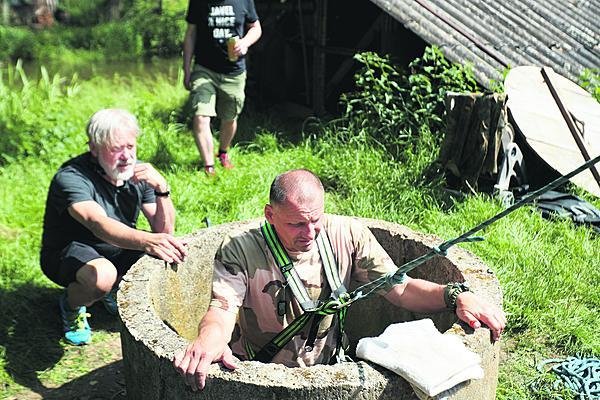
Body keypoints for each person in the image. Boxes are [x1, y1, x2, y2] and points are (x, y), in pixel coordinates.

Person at [173, 169, 507, 391]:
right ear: (270, 214)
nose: (309, 233)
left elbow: (400, 288)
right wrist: (209, 339)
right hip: (260, 368)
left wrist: (455, 296)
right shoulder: (241, 248)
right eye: (295, 225)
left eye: (315, 220)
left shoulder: (347, 234)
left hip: (328, 366)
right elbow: (221, 306)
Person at [40, 108, 188, 346]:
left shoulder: (137, 173)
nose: (127, 156)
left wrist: (162, 188)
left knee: (168, 250)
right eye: (116, 149)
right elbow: (98, 224)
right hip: (72, 251)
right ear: (94, 148)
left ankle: (113, 289)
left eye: (130, 147)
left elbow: (164, 230)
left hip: (117, 247)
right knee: (102, 276)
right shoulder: (72, 177)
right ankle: (71, 304)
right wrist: (148, 241)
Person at [183, 0, 262, 176]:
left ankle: (223, 152)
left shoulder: (244, 1)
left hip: (233, 73)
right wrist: (186, 69)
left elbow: (256, 27)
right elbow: (190, 34)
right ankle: (209, 167)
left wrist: (245, 42)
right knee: (201, 116)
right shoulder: (198, 2)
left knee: (230, 117)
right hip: (204, 69)